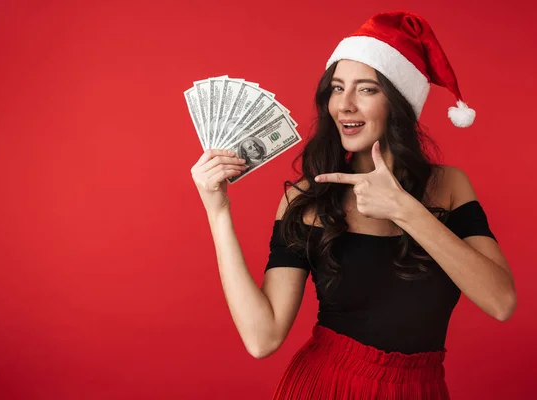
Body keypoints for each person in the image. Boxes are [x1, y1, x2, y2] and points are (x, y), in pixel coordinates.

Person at [191, 10, 517, 400]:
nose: (344, 105)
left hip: (422, 388)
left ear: (399, 103)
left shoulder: (448, 186)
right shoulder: (307, 197)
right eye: (336, 88)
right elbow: (262, 338)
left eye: (366, 89)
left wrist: (404, 209)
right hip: (329, 386)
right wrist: (218, 210)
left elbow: (501, 302)